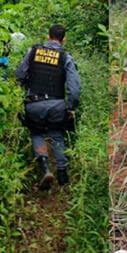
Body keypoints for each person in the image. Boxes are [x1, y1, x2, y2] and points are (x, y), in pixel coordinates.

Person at [15, 24, 80, 189]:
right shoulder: (66, 57)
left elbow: (19, 75)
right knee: (57, 135)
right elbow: (74, 88)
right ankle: (63, 177)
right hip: (56, 105)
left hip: (33, 103)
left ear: (47, 36)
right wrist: (71, 108)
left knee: (36, 132)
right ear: (63, 39)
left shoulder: (33, 51)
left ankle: (44, 168)